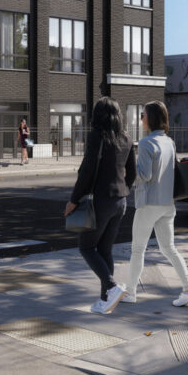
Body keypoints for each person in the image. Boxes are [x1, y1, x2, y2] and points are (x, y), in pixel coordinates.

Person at [64, 98, 136, 314]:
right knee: (104, 250)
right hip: (121, 202)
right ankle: (106, 300)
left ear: (98, 116)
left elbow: (87, 170)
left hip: (101, 201)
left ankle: (112, 288)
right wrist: (123, 190)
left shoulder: (97, 137)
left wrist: (74, 200)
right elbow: (131, 173)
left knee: (86, 247)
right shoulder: (126, 138)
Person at [125, 100, 188, 307]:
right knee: (169, 248)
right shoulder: (169, 142)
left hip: (148, 204)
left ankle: (130, 292)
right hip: (168, 204)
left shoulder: (147, 143)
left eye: (143, 115)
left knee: (137, 249)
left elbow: (144, 176)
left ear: (151, 118)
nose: (141, 119)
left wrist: (126, 174)